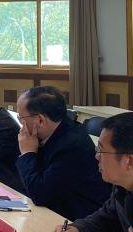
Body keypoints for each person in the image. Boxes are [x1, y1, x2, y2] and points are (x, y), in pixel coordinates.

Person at [15, 86, 110, 220]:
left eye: (21, 118)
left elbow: (40, 194)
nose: (21, 124)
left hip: (78, 220)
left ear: (40, 120)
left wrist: (27, 153)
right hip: (56, 211)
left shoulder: (72, 146)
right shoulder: (48, 133)